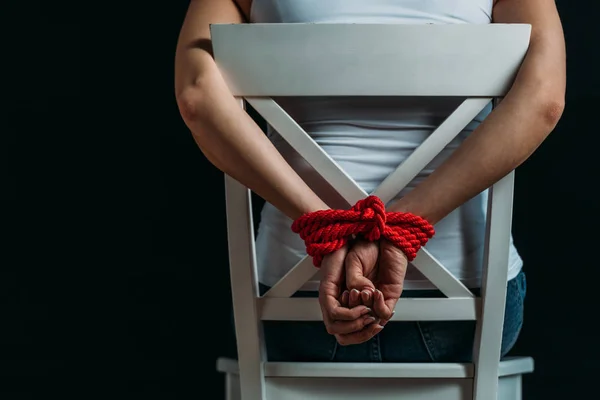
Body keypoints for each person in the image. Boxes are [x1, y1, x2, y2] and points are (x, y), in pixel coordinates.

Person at [174, 0, 565, 362]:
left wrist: (327, 231)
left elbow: (197, 97)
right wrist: (400, 231)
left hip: (292, 309)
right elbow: (544, 99)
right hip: (473, 319)